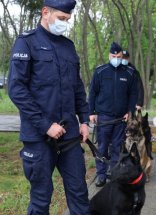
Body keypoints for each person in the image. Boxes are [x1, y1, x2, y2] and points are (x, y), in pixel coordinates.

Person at [8, 1, 90, 214]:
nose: (65, 23)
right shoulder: (26, 43)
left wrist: (85, 121)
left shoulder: (68, 46)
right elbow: (16, 89)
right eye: (61, 19)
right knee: (41, 198)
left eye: (68, 20)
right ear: (46, 12)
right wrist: (46, 125)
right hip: (39, 137)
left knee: (79, 192)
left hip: (70, 135)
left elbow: (77, 88)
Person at [89, 42, 138, 187]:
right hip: (103, 117)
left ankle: (114, 173)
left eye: (119, 56)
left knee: (117, 147)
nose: (116, 58)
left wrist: (130, 111)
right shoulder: (100, 72)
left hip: (120, 118)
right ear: (109, 55)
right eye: (113, 56)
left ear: (122, 56)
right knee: (102, 147)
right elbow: (92, 93)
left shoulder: (129, 73)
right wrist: (91, 112)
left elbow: (133, 94)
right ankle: (101, 175)